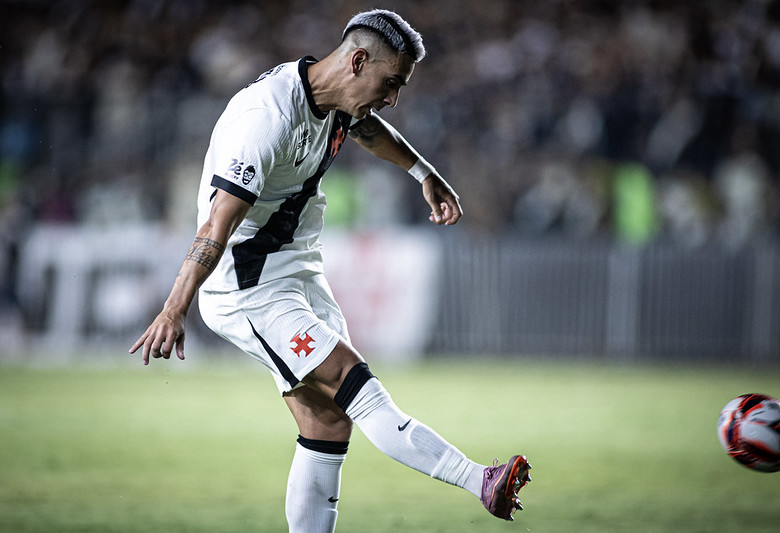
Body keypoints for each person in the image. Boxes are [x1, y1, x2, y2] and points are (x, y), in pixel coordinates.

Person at [129, 9, 531, 532]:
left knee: (328, 421)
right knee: (351, 380)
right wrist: (173, 308)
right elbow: (215, 227)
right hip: (246, 288)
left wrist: (422, 172)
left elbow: (366, 129)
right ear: (358, 60)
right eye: (391, 83)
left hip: (296, 272)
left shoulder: (336, 97)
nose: (392, 98)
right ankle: (481, 480)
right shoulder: (266, 118)